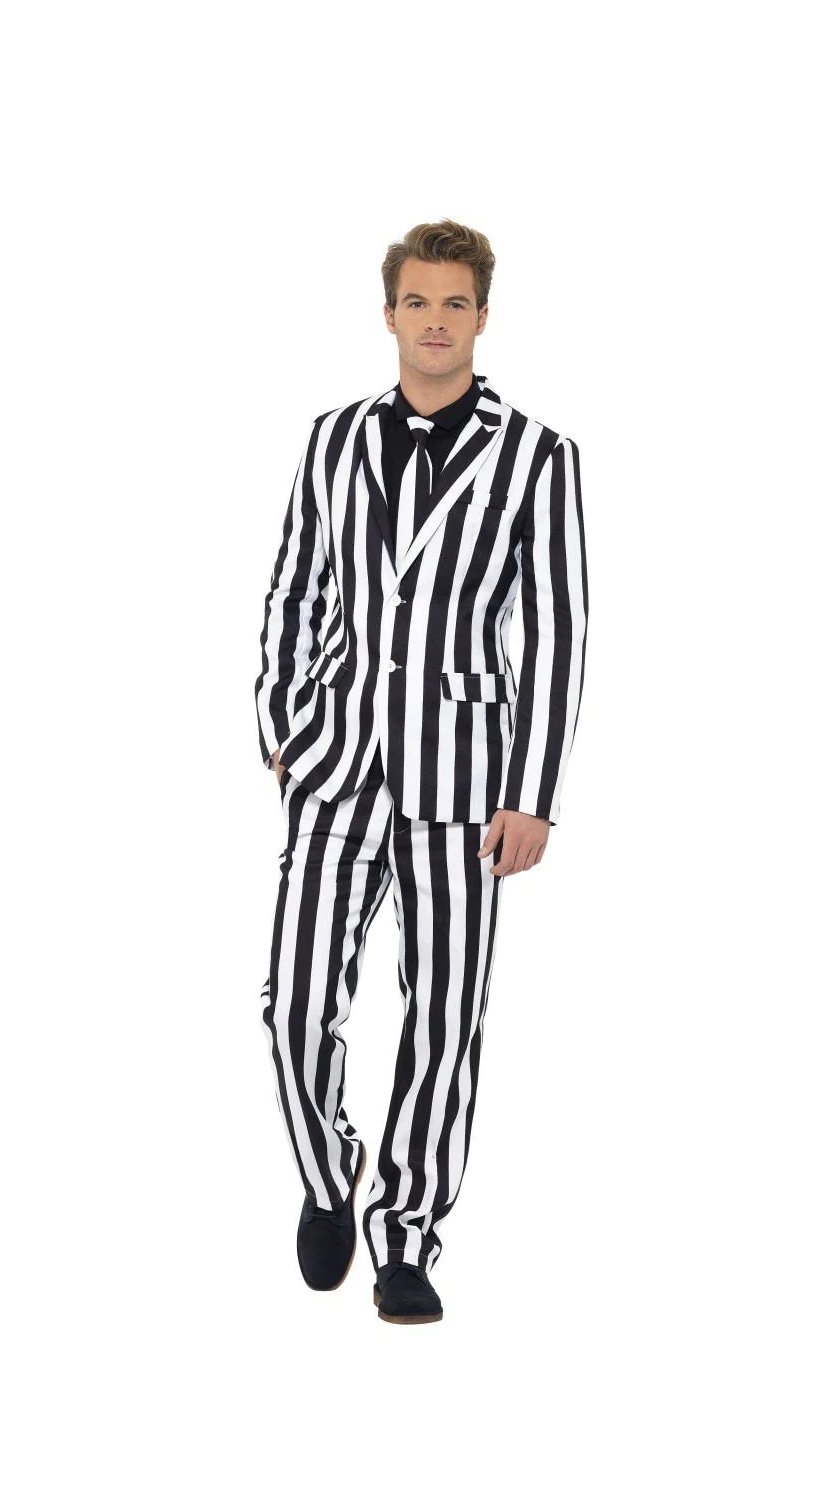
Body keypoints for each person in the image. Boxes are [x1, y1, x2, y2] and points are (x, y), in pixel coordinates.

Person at [254, 218, 588, 1324]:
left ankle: (407, 1238)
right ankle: (328, 1174)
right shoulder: (331, 441)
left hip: (465, 780)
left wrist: (532, 793)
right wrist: (283, 725)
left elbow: (556, 632)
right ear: (388, 312)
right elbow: (295, 589)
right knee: (294, 1007)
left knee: (443, 1020)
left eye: (455, 304)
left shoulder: (537, 456)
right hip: (336, 770)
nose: (435, 322)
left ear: (482, 316)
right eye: (417, 302)